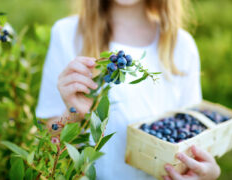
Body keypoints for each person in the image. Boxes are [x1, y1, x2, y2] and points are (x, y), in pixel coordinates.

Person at [36, 0, 221, 179]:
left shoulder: (181, 45)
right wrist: (73, 112)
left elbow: (194, 137)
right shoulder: (68, 34)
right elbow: (48, 138)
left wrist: (205, 173)